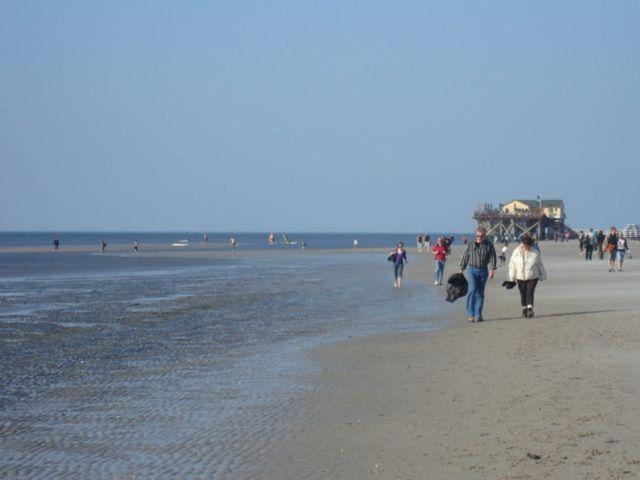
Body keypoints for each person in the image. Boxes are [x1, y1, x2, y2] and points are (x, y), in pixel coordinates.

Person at [459, 227, 497, 323]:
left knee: (480, 293)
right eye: (477, 236)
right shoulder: (471, 244)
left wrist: (492, 270)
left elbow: (493, 257)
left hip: (483, 270)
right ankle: (471, 315)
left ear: (485, 235)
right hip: (472, 270)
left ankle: (478, 314)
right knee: (472, 290)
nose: (479, 238)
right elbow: (465, 256)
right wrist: (461, 269)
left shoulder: (489, 245)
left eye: (481, 236)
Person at [508, 233, 547, 318]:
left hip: (533, 276)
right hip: (520, 276)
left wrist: (543, 275)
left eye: (529, 245)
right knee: (523, 293)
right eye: (526, 245)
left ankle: (530, 308)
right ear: (522, 243)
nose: (527, 247)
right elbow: (512, 265)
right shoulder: (516, 252)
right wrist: (512, 278)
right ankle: (524, 308)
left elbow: (540, 264)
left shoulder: (535, 252)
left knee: (530, 292)